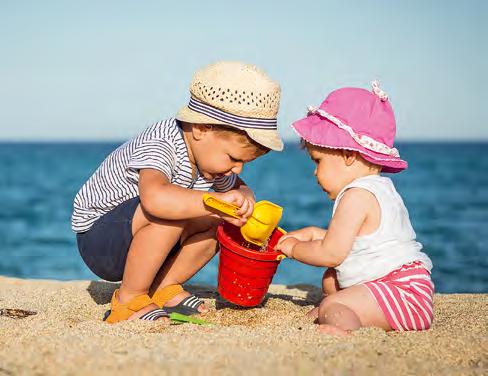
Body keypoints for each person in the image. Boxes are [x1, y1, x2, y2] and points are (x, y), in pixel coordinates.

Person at [72, 61, 283, 323]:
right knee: (170, 211)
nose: (236, 169)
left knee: (223, 221)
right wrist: (216, 201)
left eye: (243, 163)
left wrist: (244, 199)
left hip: (143, 239)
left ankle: (163, 287)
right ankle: (129, 300)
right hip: (101, 240)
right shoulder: (162, 142)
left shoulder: (213, 163)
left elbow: (236, 190)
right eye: (232, 158)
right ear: (202, 129)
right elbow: (156, 199)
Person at [276, 82, 433, 336]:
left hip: (402, 293)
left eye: (318, 161)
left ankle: (344, 330)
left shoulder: (356, 195)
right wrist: (314, 233)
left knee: (332, 302)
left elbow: (331, 253)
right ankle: (343, 309)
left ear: (349, 154)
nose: (315, 173)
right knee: (331, 279)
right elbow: (354, 242)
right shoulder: (379, 188)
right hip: (404, 286)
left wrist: (294, 249)